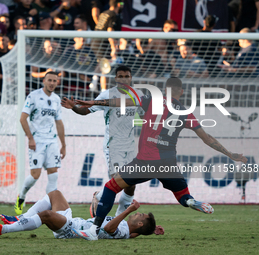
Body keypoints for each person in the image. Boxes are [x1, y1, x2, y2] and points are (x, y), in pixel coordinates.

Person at [73, 77, 248, 240]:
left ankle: (94, 230)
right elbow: (206, 138)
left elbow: (122, 102)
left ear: (166, 89)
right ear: (182, 92)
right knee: (182, 195)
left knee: (111, 187)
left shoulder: (152, 100)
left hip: (147, 161)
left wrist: (94, 102)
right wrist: (230, 154)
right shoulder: (186, 112)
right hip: (168, 164)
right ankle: (191, 201)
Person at [61, 65, 143, 218]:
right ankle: (99, 197)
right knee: (119, 180)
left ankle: (120, 217)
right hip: (112, 145)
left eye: (126, 76)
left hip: (130, 145)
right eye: (120, 76)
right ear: (116, 78)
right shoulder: (107, 94)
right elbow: (85, 110)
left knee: (131, 185)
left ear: (131, 78)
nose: (124, 79)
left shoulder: (138, 95)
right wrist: (74, 107)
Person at [0, 190, 164, 238]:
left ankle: (3, 230)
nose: (137, 213)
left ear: (140, 223)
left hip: (71, 231)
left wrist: (128, 210)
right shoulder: (131, 232)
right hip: (73, 221)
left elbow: (110, 228)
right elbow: (136, 233)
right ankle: (21, 218)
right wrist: (153, 230)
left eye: (139, 215)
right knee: (55, 194)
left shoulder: (124, 231)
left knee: (46, 215)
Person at [14, 71, 66, 215]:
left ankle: (51, 206)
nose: (52, 83)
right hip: (37, 141)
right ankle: (22, 196)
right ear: (43, 80)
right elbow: (23, 118)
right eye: (49, 80)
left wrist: (64, 145)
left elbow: (59, 123)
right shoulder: (34, 96)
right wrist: (30, 138)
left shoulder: (56, 99)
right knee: (35, 175)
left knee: (53, 173)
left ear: (57, 82)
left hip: (52, 142)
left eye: (54, 81)